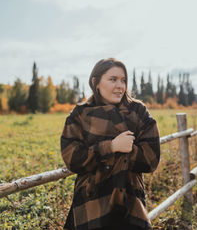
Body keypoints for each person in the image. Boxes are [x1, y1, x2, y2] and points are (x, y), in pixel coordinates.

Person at [60, 58, 160, 230]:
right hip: (92, 202)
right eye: (113, 79)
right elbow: (73, 160)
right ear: (95, 82)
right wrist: (111, 147)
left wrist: (129, 150)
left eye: (123, 80)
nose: (120, 86)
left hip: (130, 202)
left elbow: (151, 160)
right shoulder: (80, 114)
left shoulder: (138, 111)